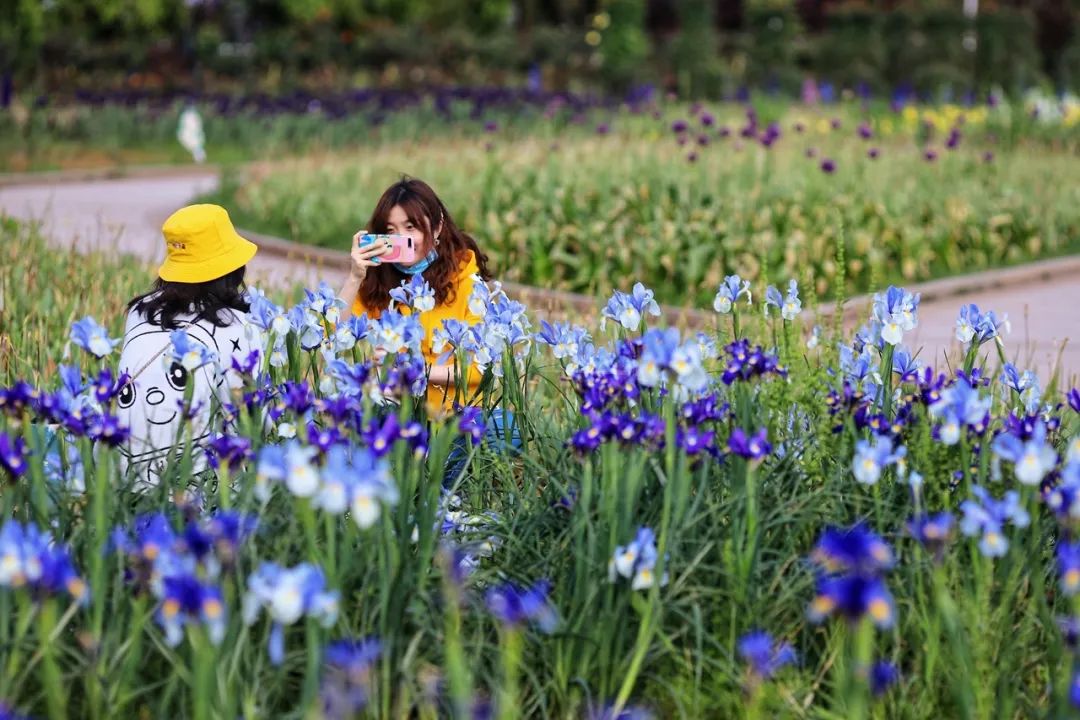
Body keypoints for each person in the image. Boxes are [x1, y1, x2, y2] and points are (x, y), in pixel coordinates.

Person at [337, 177, 520, 476]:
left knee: (505, 430)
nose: (402, 239)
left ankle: (438, 485)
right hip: (393, 419)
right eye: (390, 231)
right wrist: (355, 276)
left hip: (453, 419)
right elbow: (332, 338)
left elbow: (478, 370)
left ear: (436, 227)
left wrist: (417, 373)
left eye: (411, 228)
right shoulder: (377, 281)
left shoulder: (464, 279)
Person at [116, 204, 261, 489]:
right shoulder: (234, 325)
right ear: (231, 268)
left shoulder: (139, 311)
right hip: (194, 489)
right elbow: (245, 416)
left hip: (123, 474)